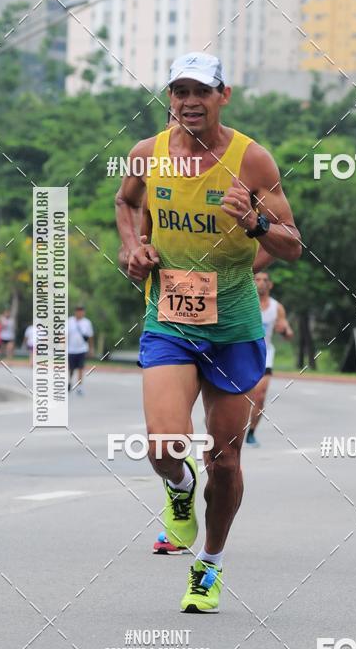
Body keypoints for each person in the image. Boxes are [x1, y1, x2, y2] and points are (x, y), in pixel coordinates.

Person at [116, 51, 301, 613]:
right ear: (169, 97)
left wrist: (256, 221)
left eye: (201, 91)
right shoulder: (147, 155)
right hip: (169, 319)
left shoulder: (253, 161)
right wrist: (133, 247)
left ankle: (210, 565)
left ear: (223, 95)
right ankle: (177, 486)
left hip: (235, 326)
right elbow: (126, 204)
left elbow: (292, 245)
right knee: (165, 444)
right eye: (179, 91)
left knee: (225, 461)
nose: (189, 102)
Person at [245, 271, 293, 446]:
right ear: (252, 281)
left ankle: (250, 433)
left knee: (260, 396)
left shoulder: (276, 307)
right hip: (243, 352)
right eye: (257, 279)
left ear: (270, 285)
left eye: (265, 280)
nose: (261, 283)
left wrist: (285, 330)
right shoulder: (244, 303)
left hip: (265, 354)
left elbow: (287, 332)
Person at [67, 305, 94, 395]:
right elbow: (64, 335)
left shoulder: (87, 322)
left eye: (82, 311)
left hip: (82, 349)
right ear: (76, 312)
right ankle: (69, 382)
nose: (80, 313)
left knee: (80, 368)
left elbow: (90, 336)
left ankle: (79, 386)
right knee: (71, 368)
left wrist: (91, 349)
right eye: (78, 311)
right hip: (71, 349)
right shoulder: (70, 321)